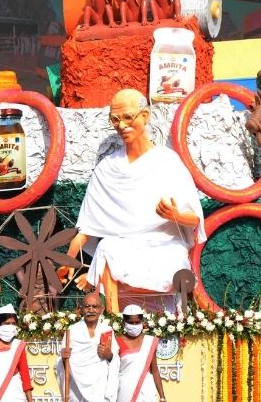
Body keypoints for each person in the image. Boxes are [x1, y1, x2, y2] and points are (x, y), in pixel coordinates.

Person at [58, 88, 206, 313]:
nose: (121, 125)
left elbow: (194, 219)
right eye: (115, 119)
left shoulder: (167, 161)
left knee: (174, 260)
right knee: (107, 247)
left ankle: (178, 321)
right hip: (126, 246)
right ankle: (114, 321)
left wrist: (174, 215)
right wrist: (66, 261)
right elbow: (87, 228)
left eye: (128, 117)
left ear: (145, 116)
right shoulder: (107, 168)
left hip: (164, 244)